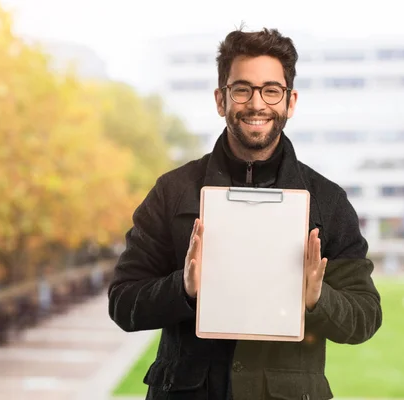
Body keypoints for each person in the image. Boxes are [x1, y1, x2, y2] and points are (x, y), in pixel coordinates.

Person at [108, 27, 383, 400]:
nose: (257, 104)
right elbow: (123, 303)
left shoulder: (327, 201)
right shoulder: (172, 192)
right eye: (242, 90)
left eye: (271, 90)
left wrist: (317, 299)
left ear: (290, 101)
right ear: (221, 100)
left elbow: (365, 316)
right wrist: (184, 289)